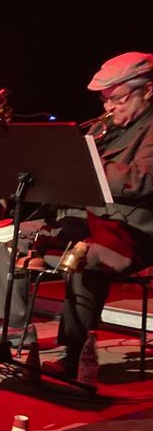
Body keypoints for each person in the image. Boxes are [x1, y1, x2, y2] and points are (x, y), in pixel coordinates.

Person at [41, 52, 153, 378]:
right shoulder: (107, 126)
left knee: (83, 258)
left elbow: (143, 179)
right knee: (10, 236)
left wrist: (85, 166)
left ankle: (75, 354)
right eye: (105, 99)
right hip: (89, 219)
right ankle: (14, 332)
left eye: (117, 98)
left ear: (147, 91)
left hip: (133, 228)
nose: (108, 107)